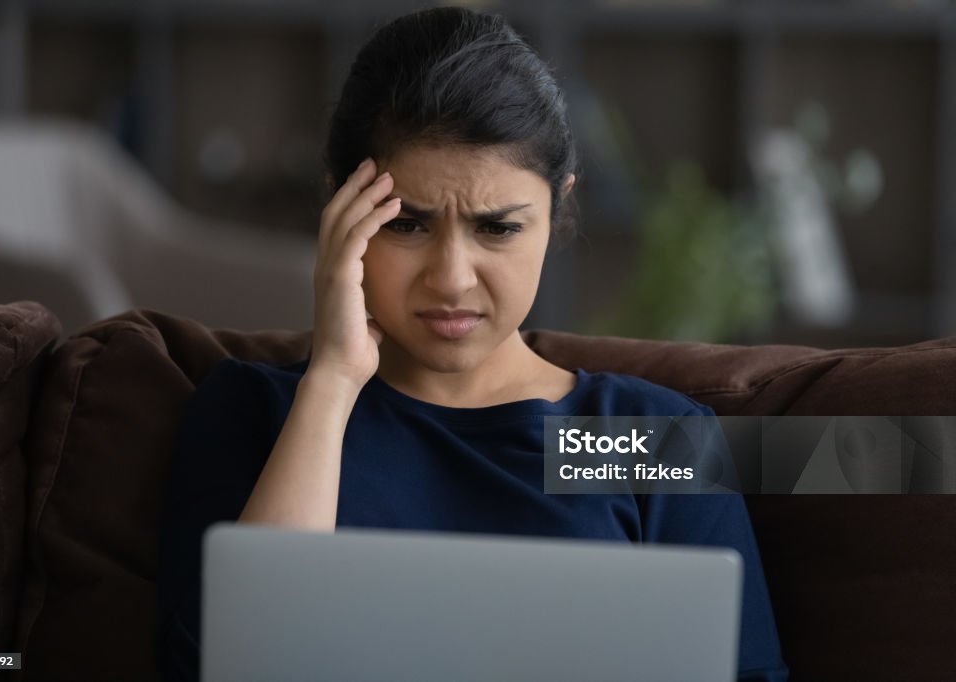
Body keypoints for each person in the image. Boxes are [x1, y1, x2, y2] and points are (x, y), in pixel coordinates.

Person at [156, 6, 788, 681]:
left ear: (558, 210)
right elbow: (230, 667)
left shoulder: (643, 440)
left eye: (499, 229)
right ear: (342, 212)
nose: (452, 280)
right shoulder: (251, 414)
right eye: (407, 226)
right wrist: (334, 382)